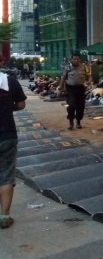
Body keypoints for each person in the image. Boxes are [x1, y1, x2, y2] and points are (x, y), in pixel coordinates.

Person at [0, 61, 27, 229]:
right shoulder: (9, 80)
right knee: (6, 175)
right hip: (7, 134)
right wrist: (8, 109)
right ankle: (4, 216)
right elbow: (21, 104)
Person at [61, 53, 87, 130]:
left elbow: (89, 76)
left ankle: (78, 122)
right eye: (74, 59)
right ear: (71, 60)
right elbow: (63, 78)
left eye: (78, 59)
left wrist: (89, 81)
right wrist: (60, 88)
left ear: (80, 60)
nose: (76, 60)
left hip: (81, 88)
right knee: (71, 105)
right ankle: (71, 122)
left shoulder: (84, 67)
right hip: (70, 89)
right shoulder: (67, 68)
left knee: (80, 106)